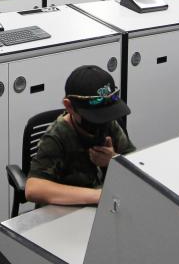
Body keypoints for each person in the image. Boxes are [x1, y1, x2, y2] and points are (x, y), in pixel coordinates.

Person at [26, 65, 135, 207]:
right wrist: (98, 195)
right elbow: (33, 188)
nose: (103, 122)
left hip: (103, 207)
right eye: (95, 117)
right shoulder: (57, 136)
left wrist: (112, 160)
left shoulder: (109, 123)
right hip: (66, 213)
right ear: (69, 107)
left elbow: (136, 167)